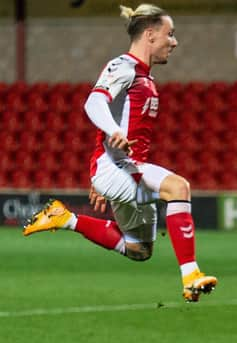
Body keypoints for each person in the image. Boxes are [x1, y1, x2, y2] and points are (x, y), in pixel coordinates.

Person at [23, 4, 217, 303]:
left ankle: (64, 218)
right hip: (117, 168)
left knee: (139, 250)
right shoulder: (123, 66)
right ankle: (191, 275)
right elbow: (94, 103)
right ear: (150, 35)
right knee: (179, 188)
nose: (174, 42)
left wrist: (108, 165)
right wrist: (113, 136)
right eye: (170, 34)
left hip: (122, 170)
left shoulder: (146, 78)